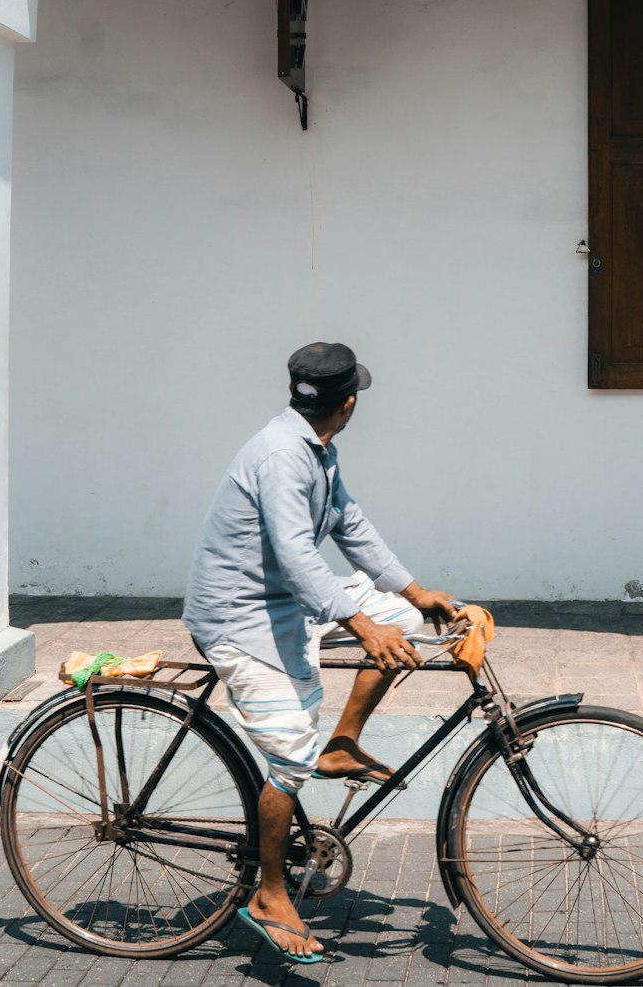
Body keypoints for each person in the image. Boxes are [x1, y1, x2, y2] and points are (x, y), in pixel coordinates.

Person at [182, 341, 458, 963]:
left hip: (285, 599)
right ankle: (270, 894)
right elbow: (295, 555)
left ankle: (344, 741)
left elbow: (348, 523)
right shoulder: (283, 456)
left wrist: (414, 593)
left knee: (405, 619)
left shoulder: (315, 448)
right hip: (239, 616)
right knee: (290, 755)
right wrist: (360, 624)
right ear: (350, 402)